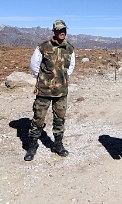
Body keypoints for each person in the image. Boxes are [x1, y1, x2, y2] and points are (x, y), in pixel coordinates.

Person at [24, 19, 76, 161]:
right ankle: (32, 146)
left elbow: (70, 67)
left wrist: (62, 78)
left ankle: (58, 145)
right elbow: (34, 66)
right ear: (54, 31)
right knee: (38, 118)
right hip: (44, 91)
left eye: (64, 30)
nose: (62, 32)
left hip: (61, 91)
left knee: (59, 119)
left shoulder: (70, 48)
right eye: (59, 30)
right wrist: (43, 79)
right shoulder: (43, 47)